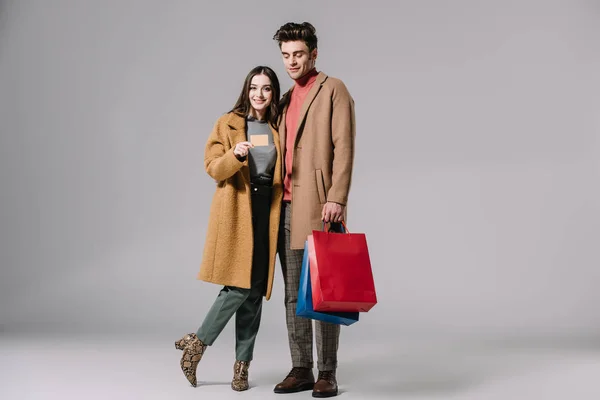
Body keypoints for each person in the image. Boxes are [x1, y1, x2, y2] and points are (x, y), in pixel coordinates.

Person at [175, 66, 283, 392]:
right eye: (254, 87)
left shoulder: (278, 128)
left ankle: (241, 368)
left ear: (273, 93)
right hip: (239, 209)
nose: (259, 95)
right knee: (239, 286)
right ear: (246, 89)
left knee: (255, 294)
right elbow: (213, 169)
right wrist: (235, 155)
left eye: (266, 89)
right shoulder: (229, 123)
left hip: (268, 211)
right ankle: (198, 342)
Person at [272, 22, 356, 398]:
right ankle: (301, 367)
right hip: (285, 207)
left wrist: (337, 196)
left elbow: (344, 146)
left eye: (299, 54)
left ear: (314, 54)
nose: (292, 61)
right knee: (294, 294)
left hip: (321, 206)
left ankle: (327, 371)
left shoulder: (332, 89)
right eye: (286, 55)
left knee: (324, 291)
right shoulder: (286, 98)